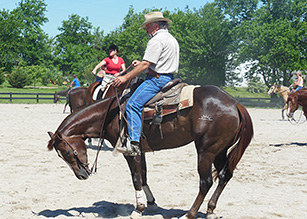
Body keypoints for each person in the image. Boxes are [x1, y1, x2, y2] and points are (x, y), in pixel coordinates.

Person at [113, 11, 179, 156]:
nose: (146, 30)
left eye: (147, 27)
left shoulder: (156, 40)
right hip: (169, 77)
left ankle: (134, 143)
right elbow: (156, 63)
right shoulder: (171, 39)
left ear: (155, 25)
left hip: (157, 80)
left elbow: (145, 65)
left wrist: (125, 77)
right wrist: (143, 64)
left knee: (132, 104)